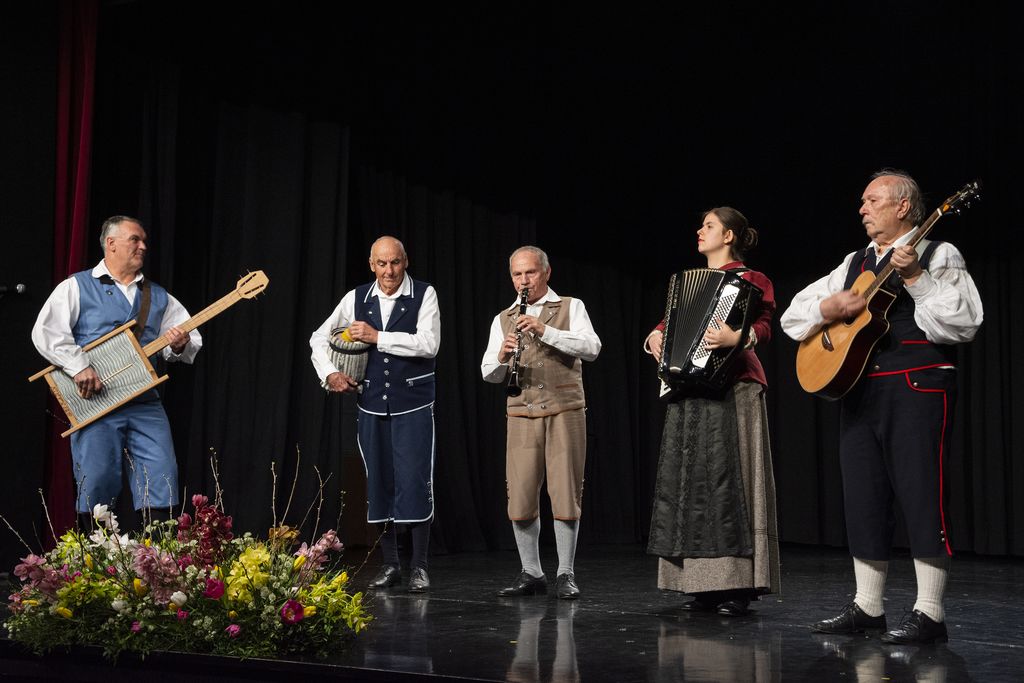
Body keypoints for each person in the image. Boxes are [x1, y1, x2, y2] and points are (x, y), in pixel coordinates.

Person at [780, 169, 983, 644]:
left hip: (918, 384)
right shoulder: (854, 262)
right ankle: (868, 606)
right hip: (860, 390)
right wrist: (826, 310)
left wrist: (916, 278)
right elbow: (793, 316)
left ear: (903, 207)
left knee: (921, 493)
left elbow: (963, 323)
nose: (862, 209)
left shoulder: (939, 253)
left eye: (872, 200)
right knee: (863, 496)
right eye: (863, 202)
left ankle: (930, 612)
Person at [643, 207, 781, 616]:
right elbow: (670, 323)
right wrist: (654, 336)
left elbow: (765, 323)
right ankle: (700, 585)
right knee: (691, 484)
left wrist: (739, 336)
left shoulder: (752, 279)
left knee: (733, 481)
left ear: (729, 235)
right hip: (690, 390)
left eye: (709, 226)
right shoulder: (689, 282)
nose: (699, 231)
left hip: (735, 385)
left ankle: (738, 584)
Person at [31, 215, 201, 527]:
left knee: (161, 474)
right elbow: (46, 333)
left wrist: (179, 345)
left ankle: (157, 552)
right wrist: (79, 366)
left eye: (144, 241)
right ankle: (97, 555)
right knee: (96, 480)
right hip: (96, 402)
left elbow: (188, 342)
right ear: (110, 243)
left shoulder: (158, 295)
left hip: (144, 401)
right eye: (135, 239)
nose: (143, 246)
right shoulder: (76, 286)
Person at [310, 236, 440, 593]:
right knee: (379, 482)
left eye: (395, 262)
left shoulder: (424, 294)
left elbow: (429, 343)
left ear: (405, 261)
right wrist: (330, 373)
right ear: (372, 265)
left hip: (413, 403)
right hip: (371, 403)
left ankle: (419, 566)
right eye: (382, 264)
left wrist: (377, 336)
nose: (389, 271)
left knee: (415, 482)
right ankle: (391, 564)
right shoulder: (356, 298)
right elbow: (318, 338)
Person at [481, 246, 601, 599]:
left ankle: (566, 573)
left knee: (565, 492)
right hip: (522, 411)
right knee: (520, 496)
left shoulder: (571, 306)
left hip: (565, 410)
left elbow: (592, 348)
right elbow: (489, 373)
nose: (524, 281)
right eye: (517, 274)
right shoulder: (503, 318)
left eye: (530, 273)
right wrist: (502, 356)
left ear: (546, 273)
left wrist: (544, 330)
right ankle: (531, 572)